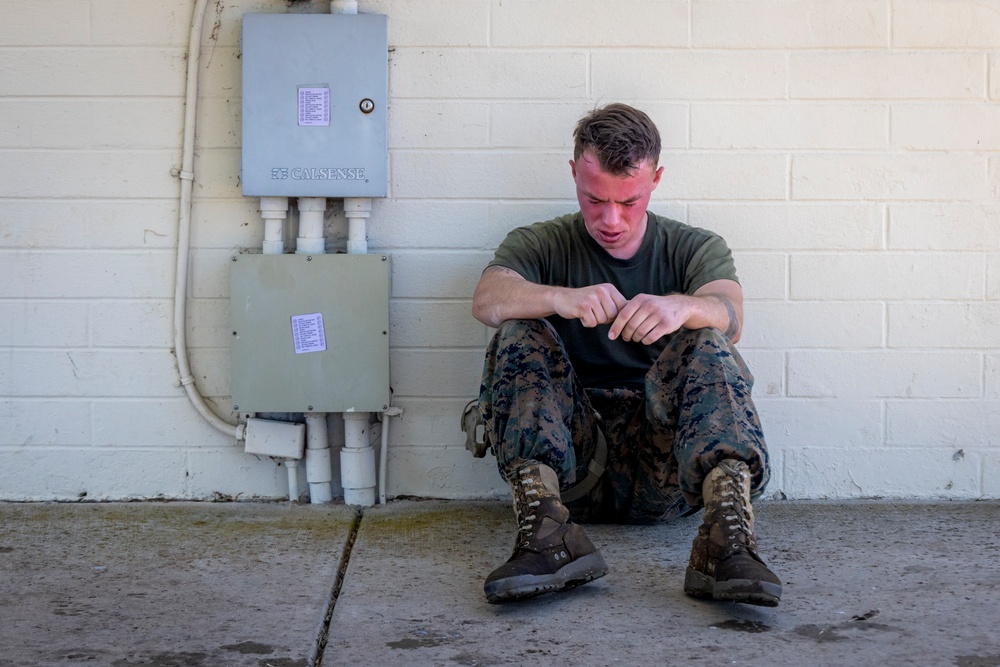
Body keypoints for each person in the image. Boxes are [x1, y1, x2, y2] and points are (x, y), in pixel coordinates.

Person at [468, 103, 781, 607]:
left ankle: (725, 544)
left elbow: (732, 314)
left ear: (655, 180)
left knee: (709, 339)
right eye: (594, 199)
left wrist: (685, 307)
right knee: (517, 327)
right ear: (574, 173)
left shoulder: (691, 246)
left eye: (629, 202)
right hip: (572, 465)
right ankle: (548, 537)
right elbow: (486, 300)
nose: (611, 219)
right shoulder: (541, 242)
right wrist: (558, 298)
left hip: (665, 470)